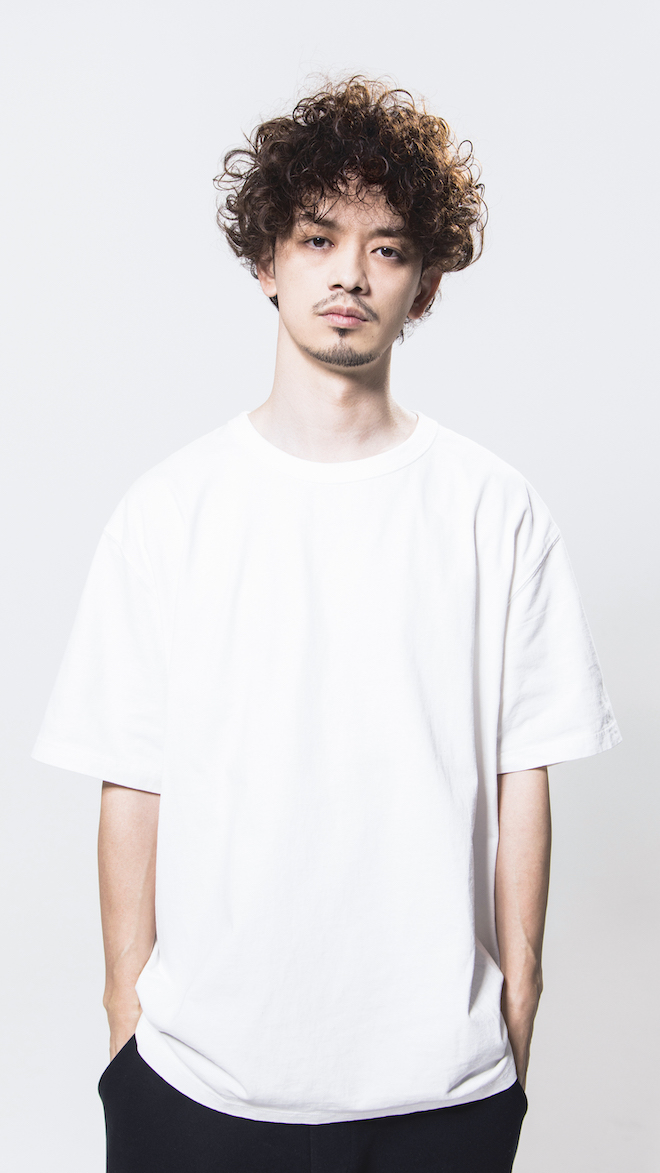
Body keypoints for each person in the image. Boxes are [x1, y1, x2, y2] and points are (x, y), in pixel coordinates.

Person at [32, 76, 622, 1173]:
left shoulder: (494, 511)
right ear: (267, 261)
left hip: (443, 1092)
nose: (351, 273)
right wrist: (126, 1031)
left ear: (424, 284)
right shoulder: (170, 512)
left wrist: (516, 1018)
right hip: (196, 1089)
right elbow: (132, 781)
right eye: (318, 238)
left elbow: (523, 774)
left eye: (386, 249)